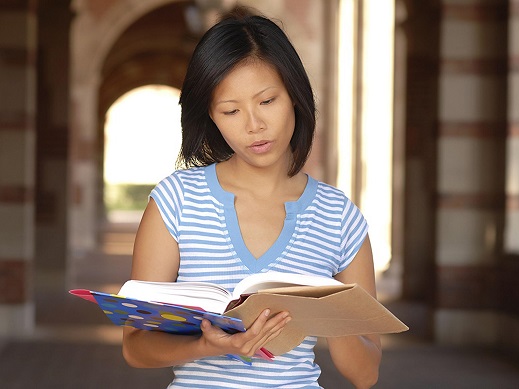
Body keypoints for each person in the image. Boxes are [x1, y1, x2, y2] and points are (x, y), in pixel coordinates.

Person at [122, 9, 381, 389]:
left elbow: (366, 374)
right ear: (211, 116)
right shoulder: (175, 202)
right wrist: (205, 346)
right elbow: (135, 347)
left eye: (267, 101)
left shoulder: (338, 216)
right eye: (230, 111)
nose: (253, 126)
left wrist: (330, 312)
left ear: (294, 95)